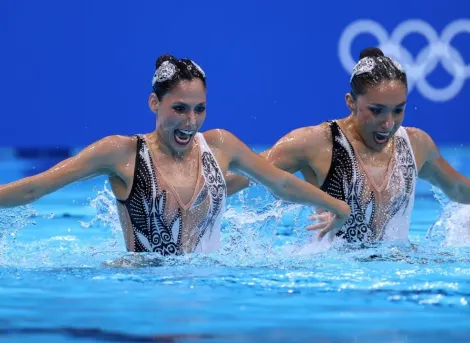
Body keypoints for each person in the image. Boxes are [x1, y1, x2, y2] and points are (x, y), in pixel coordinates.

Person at [0, 54, 350, 256]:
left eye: (200, 109)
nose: (190, 121)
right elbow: (36, 188)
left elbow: (281, 183)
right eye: (179, 108)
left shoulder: (221, 145)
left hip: (210, 288)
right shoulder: (122, 152)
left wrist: (338, 206)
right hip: (141, 288)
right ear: (154, 103)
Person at [226, 47, 470, 244]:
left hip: (395, 280)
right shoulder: (317, 143)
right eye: (376, 111)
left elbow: (458, 190)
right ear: (351, 102)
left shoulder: (416, 144)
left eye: (398, 110)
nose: (388, 123)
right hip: (333, 283)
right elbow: (240, 177)